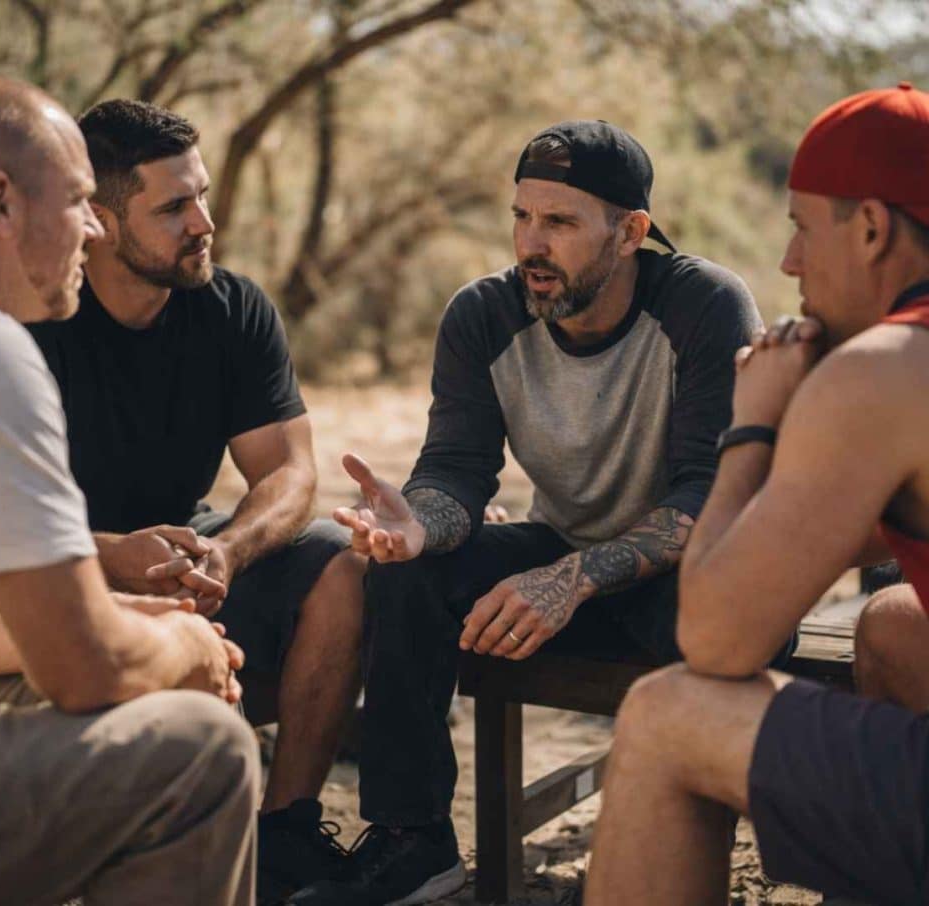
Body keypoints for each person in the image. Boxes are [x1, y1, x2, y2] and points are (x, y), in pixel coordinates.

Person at [292, 120, 778, 905]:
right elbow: (456, 469)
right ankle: (414, 843)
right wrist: (417, 525)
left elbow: (710, 493)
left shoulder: (704, 305)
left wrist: (577, 576)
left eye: (559, 222)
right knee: (402, 574)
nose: (530, 243)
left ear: (631, 232)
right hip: (563, 555)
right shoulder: (482, 315)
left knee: (720, 616)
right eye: (521, 216)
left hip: (689, 576)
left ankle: (687, 857)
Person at [0, 74, 258, 905]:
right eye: (79, 201)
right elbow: (86, 670)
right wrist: (188, 649)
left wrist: (128, 617)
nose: (93, 227)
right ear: (0, 202)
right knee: (200, 753)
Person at [8, 98, 362, 902]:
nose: (204, 221)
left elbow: (290, 473)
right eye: (174, 207)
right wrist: (110, 556)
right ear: (97, 220)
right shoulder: (31, 322)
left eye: (201, 195)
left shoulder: (232, 310)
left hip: (189, 552)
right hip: (65, 564)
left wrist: (225, 552)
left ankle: (287, 834)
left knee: (341, 568)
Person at [584, 82, 929, 906]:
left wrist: (754, 424)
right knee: (894, 624)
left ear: (873, 228)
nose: (789, 263)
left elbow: (714, 639)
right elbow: (847, 539)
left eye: (803, 228)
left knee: (669, 715)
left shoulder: (885, 368)